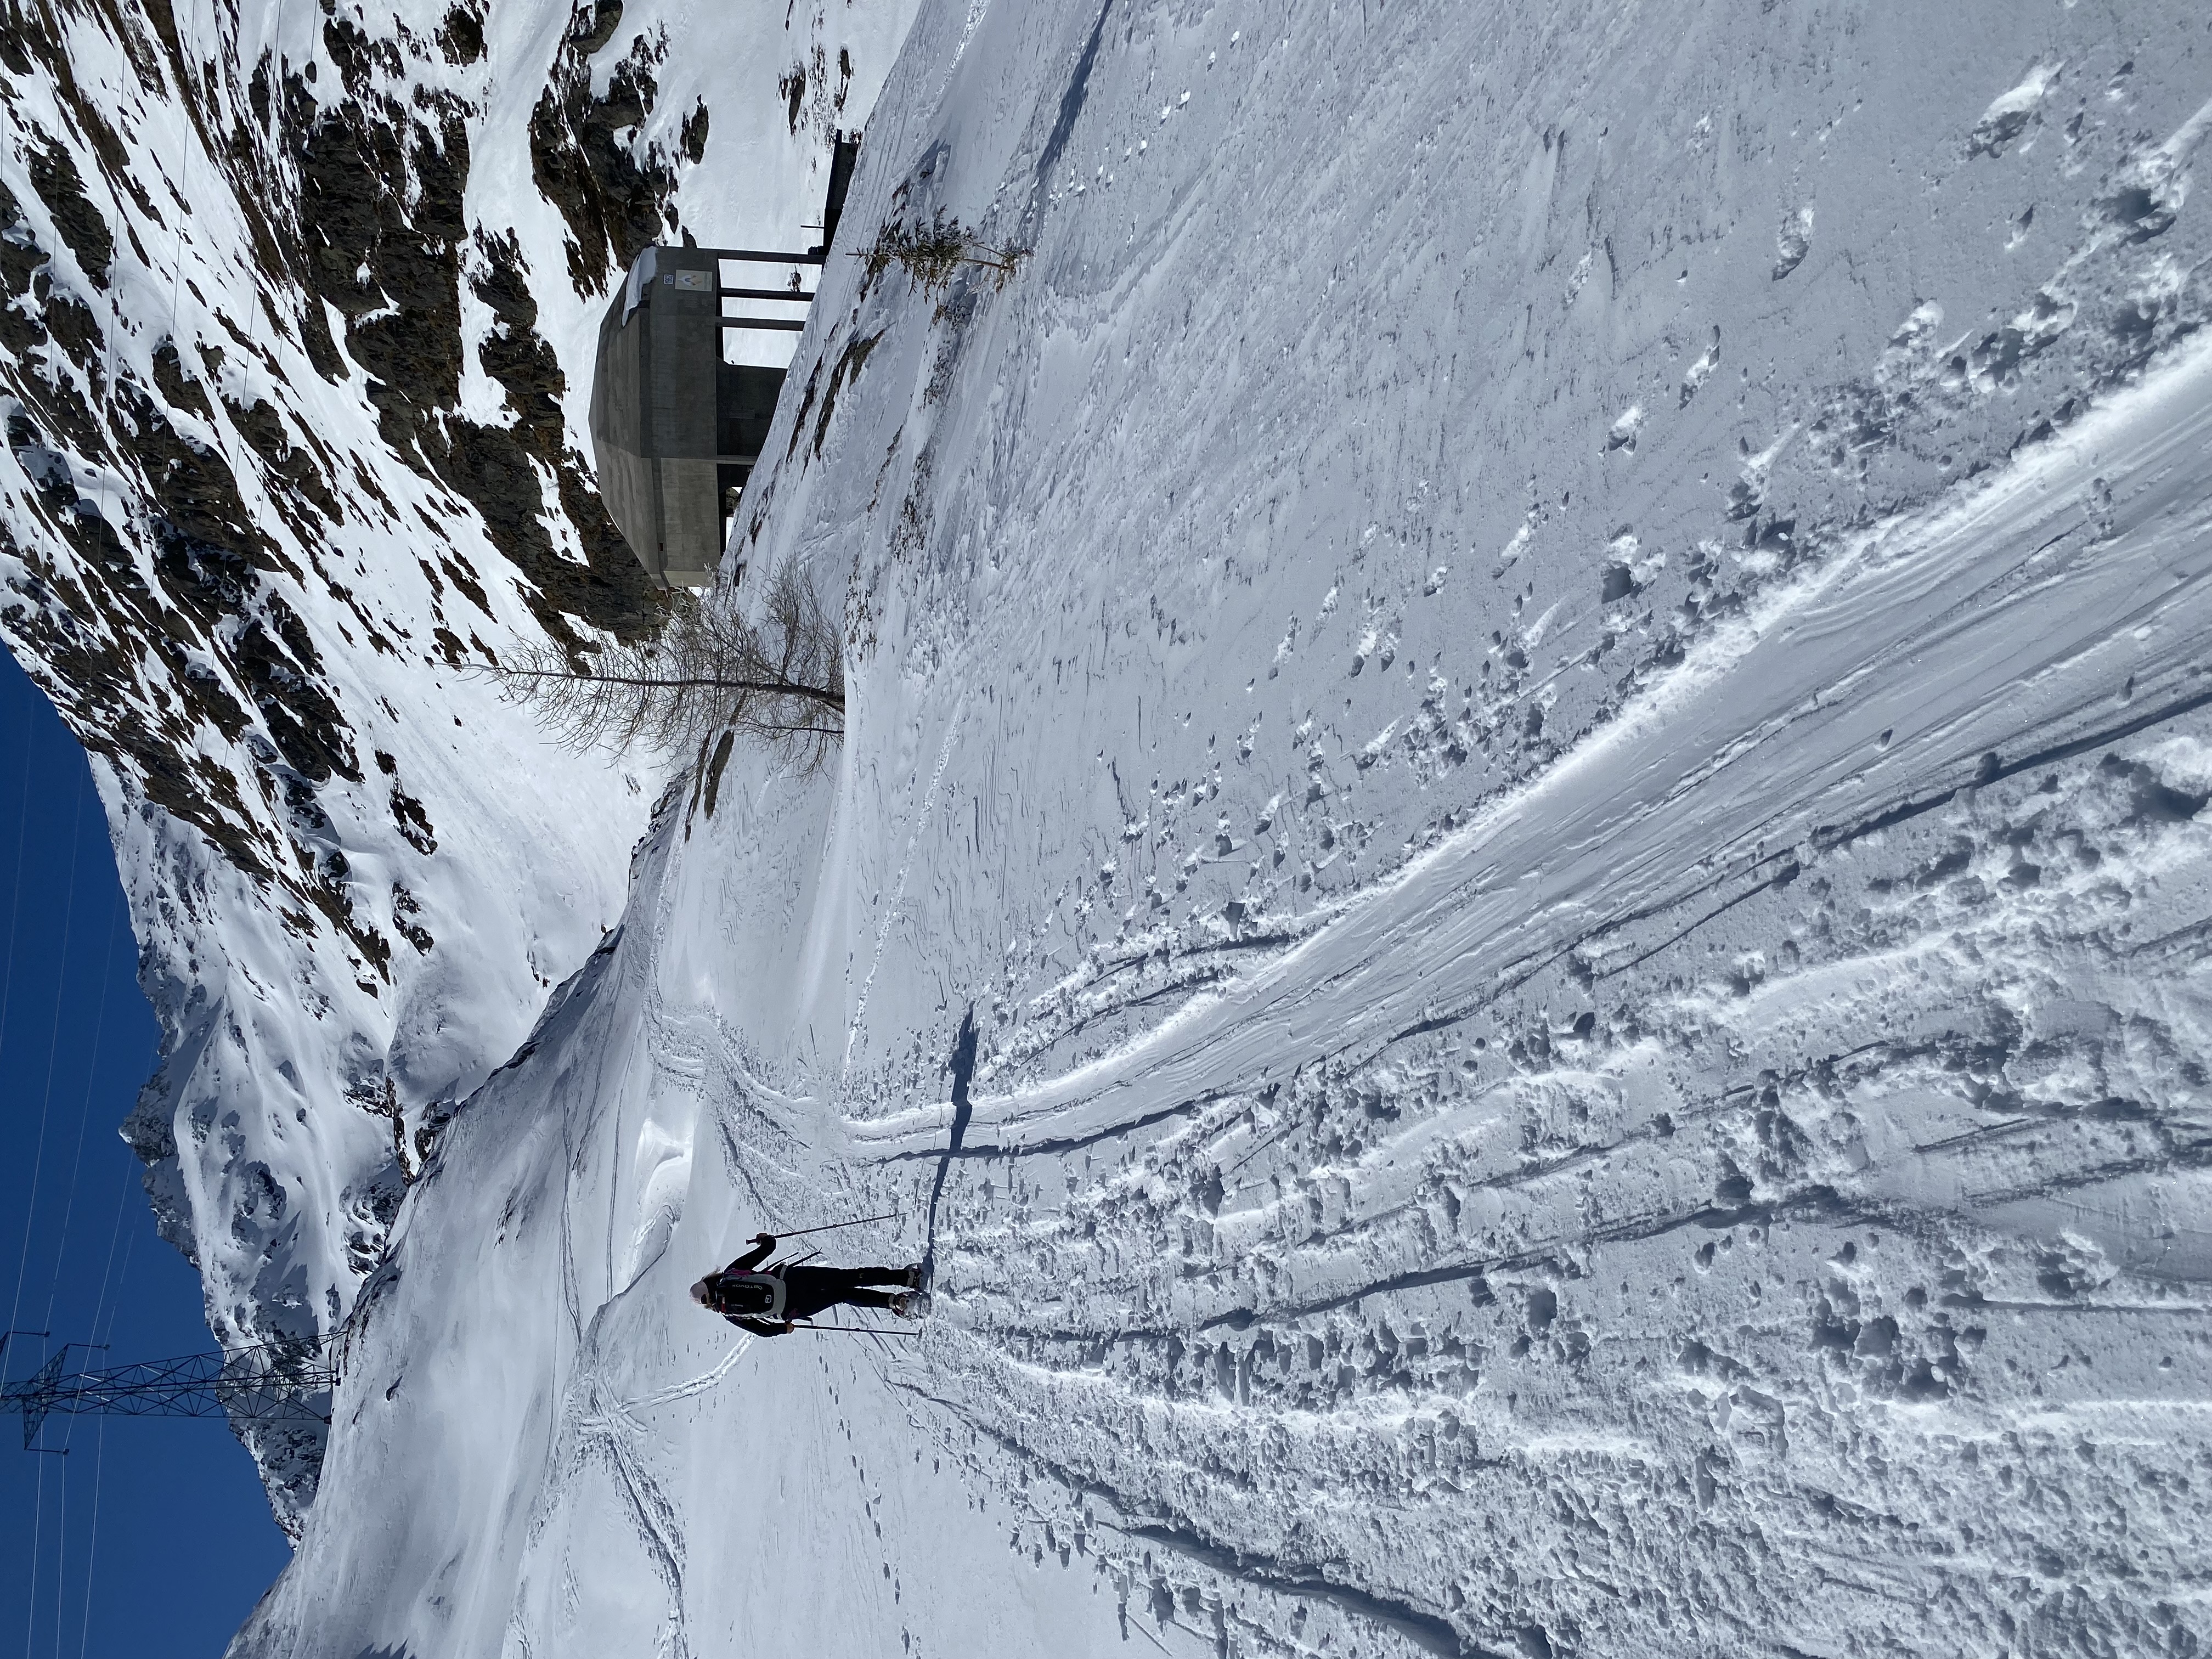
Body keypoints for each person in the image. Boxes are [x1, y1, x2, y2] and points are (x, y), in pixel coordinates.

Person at [690, 1233, 926, 1336]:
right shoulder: (731, 1274)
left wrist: (784, 1328)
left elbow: (762, 1330)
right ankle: (905, 1278)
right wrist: (764, 1239)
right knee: (848, 1278)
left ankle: (897, 1303)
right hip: (792, 1279)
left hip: (792, 1308)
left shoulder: (729, 1314)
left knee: (841, 1295)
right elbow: (770, 1247)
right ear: (708, 1280)